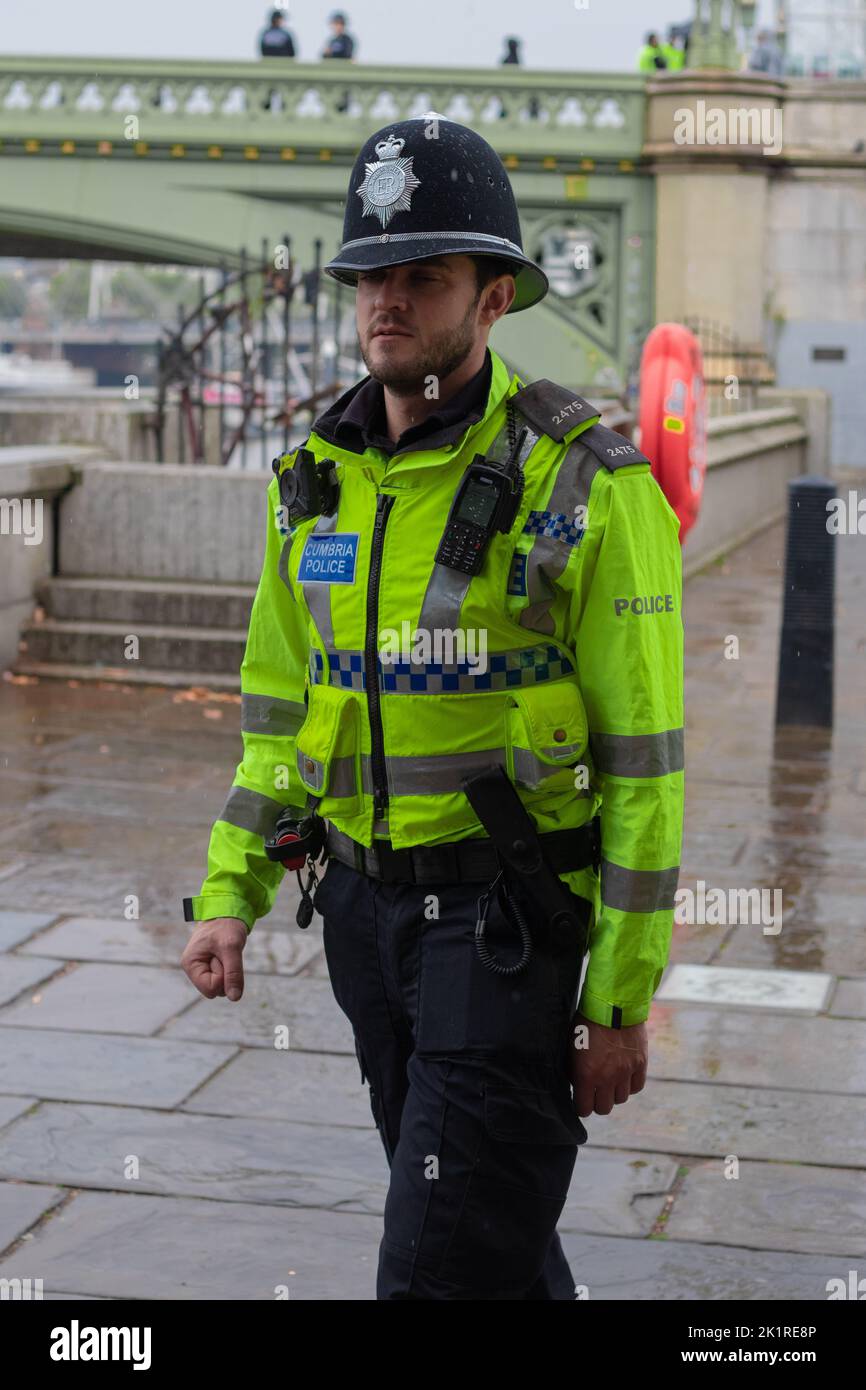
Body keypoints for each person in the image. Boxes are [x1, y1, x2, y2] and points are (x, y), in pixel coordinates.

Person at [181, 115, 684, 1300]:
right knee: (489, 1246)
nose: (388, 302)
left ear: (492, 297)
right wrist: (229, 893)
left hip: (501, 931)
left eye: (424, 277)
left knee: (431, 1271)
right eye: (372, 278)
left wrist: (616, 1000)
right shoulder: (313, 481)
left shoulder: (586, 483)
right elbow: (282, 717)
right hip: (360, 922)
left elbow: (646, 766)